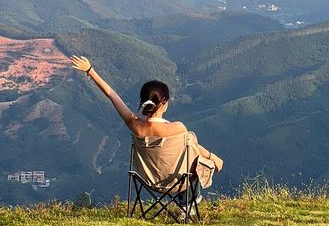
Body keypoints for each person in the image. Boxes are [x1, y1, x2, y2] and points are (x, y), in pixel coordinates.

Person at [70, 55, 223, 196]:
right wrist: (212, 157)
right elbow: (193, 148)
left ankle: (186, 201)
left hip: (149, 182)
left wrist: (90, 70)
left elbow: (112, 95)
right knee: (193, 158)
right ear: (164, 102)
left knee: (187, 153)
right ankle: (188, 201)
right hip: (178, 183)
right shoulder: (178, 128)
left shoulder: (135, 126)